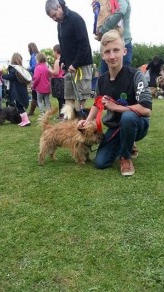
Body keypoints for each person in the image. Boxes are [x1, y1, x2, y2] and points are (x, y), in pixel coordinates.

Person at [78, 29, 152, 176]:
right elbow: (97, 103)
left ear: (124, 51)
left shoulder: (136, 75)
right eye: (107, 52)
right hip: (115, 127)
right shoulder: (102, 80)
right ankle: (127, 144)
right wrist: (86, 121)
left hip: (137, 124)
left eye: (116, 50)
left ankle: (125, 156)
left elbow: (146, 109)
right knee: (100, 163)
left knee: (128, 117)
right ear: (103, 55)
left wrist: (116, 107)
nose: (112, 56)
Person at [45, 0, 93, 112]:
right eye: (51, 17)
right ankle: (68, 123)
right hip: (69, 68)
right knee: (69, 96)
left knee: (80, 97)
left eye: (54, 15)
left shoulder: (76, 19)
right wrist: (62, 60)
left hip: (81, 65)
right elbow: (63, 44)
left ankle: (79, 123)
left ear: (59, 8)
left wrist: (75, 64)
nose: (54, 19)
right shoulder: (59, 25)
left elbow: (84, 45)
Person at [92, 0, 132, 74]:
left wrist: (102, 30)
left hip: (122, 43)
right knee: (104, 79)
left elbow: (121, 11)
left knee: (122, 79)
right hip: (107, 44)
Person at [2, 53, 31, 127]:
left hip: (17, 90)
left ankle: (26, 120)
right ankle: (24, 120)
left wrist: (3, 75)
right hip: (22, 90)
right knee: (19, 105)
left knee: (19, 105)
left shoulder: (14, 68)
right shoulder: (21, 68)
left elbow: (11, 77)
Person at [49, 44, 65, 119]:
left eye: (53, 51)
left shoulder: (57, 61)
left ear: (56, 51)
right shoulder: (64, 59)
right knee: (63, 99)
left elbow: (56, 72)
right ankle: (63, 114)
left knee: (60, 99)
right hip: (64, 80)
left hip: (58, 81)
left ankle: (62, 115)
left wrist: (49, 69)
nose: (53, 53)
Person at [27, 42, 39, 116]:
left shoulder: (33, 55)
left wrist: (28, 69)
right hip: (40, 76)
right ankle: (31, 111)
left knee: (34, 95)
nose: (27, 50)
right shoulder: (38, 54)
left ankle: (31, 111)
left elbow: (34, 67)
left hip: (35, 77)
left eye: (28, 48)